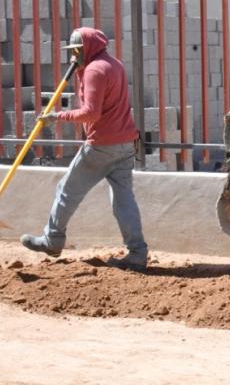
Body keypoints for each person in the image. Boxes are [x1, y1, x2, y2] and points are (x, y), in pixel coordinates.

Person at [20, 27, 149, 272]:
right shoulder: (114, 64)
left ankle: (52, 240)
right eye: (71, 52)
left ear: (88, 48)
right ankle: (137, 253)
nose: (73, 56)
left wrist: (57, 116)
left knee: (66, 190)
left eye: (77, 50)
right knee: (123, 200)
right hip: (125, 143)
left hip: (102, 145)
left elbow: (91, 112)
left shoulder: (94, 70)